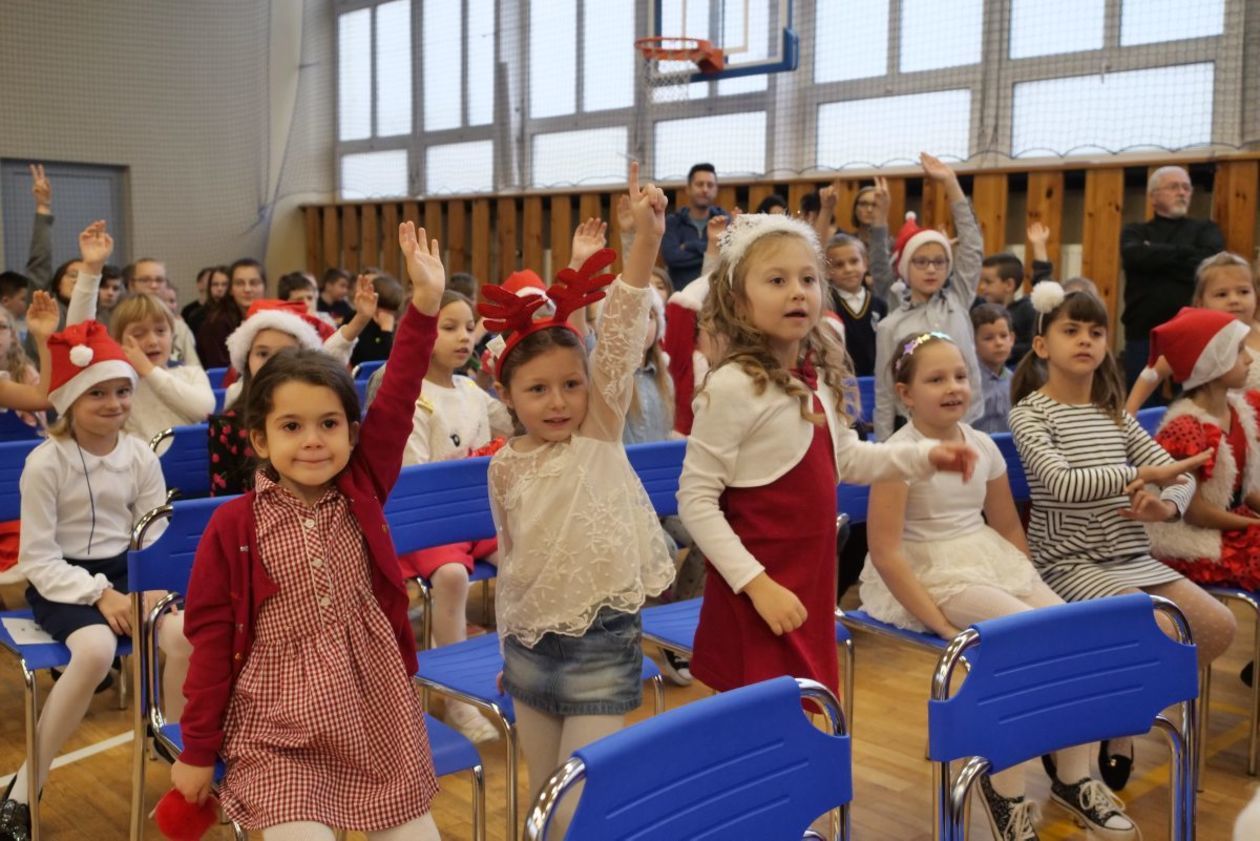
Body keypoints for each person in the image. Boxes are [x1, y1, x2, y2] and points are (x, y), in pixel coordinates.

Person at [172, 221, 447, 841]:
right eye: (291, 427)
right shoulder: (234, 525)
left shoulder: (362, 486)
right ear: (259, 438)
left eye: (329, 423)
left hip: (373, 711)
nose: (314, 440)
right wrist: (197, 748)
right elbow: (210, 642)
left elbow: (399, 395)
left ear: (353, 433)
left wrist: (425, 305)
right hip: (276, 727)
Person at [676, 210, 977, 704]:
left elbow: (849, 460)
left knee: (808, 712)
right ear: (738, 302)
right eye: (777, 280)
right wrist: (757, 585)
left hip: (809, 584)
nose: (798, 292)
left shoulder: (814, 379)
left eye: (808, 279)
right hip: (756, 591)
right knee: (758, 721)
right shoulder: (732, 386)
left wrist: (925, 456)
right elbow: (696, 501)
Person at [860, 331, 1137, 841]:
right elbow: (886, 552)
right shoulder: (898, 455)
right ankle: (1003, 790)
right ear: (905, 394)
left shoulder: (983, 444)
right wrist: (938, 622)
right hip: (931, 571)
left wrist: (1026, 580)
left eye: (960, 376)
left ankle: (1074, 778)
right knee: (1021, 643)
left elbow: (1007, 527)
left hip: (985, 557)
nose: (953, 387)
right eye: (936, 379)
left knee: (1074, 633)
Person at [484, 164, 675, 830]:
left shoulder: (598, 433)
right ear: (507, 395)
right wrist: (508, 649)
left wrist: (643, 242)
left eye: (572, 384)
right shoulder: (504, 466)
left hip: (599, 643)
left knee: (574, 808)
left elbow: (619, 333)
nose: (559, 401)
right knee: (543, 802)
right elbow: (512, 561)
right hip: (529, 647)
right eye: (537, 389)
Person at [1009, 281, 1237, 791]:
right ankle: (1104, 728)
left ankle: (1117, 718)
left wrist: (1164, 506)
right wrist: (1143, 477)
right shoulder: (1030, 413)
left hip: (1130, 557)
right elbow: (1061, 484)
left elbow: (1179, 478)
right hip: (1069, 563)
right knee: (1157, 629)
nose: (1085, 340)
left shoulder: (1114, 416)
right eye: (1071, 330)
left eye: (1096, 332)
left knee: (1217, 627)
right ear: (1042, 345)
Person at [0, 308, 187, 841]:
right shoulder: (46, 463)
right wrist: (101, 594)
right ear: (69, 400)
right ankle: (24, 787)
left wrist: (148, 584)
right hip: (62, 578)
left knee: (183, 634)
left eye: (122, 392)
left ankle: (177, 753)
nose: (114, 404)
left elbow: (154, 532)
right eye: (97, 393)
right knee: (95, 651)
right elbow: (38, 559)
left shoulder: (140, 456)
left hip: (130, 569)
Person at [394, 288, 511, 743]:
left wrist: (506, 377)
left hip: (478, 516)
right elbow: (413, 476)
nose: (463, 337)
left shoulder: (471, 391)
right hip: (431, 521)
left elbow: (512, 424)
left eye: (467, 327)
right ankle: (455, 694)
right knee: (451, 576)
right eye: (449, 327)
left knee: (524, 555)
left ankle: (519, 665)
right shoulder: (413, 396)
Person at [1143, 307, 1260, 593]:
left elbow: (1245, 491)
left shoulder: (1238, 410)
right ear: (1212, 363)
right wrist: (1252, 524)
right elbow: (1195, 513)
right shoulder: (1186, 428)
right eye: (1239, 351)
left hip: (1227, 522)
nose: (1249, 358)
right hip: (1191, 537)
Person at [65, 221, 214, 442]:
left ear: (172, 335)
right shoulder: (117, 386)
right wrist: (92, 269)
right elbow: (78, 332)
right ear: (118, 341)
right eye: (138, 334)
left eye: (161, 331)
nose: (152, 341)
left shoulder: (190, 374)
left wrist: (149, 370)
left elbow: (203, 410)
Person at [874, 154, 984, 441]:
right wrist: (884, 450)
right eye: (921, 262)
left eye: (939, 261)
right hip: (917, 436)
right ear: (904, 268)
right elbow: (884, 394)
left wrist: (951, 183)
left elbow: (972, 246)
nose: (931, 269)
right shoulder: (891, 326)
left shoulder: (957, 300)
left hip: (966, 428)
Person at [1121, 166, 1225, 395]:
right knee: (1140, 403)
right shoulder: (1135, 231)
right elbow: (1134, 256)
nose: (1182, 192)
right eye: (1174, 187)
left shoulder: (1205, 229)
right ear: (1153, 196)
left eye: (1186, 188)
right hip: (1144, 332)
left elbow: (1210, 262)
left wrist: (1154, 253)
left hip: (1193, 333)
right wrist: (1188, 254)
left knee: (1192, 402)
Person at [1127, 252, 1260, 413]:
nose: (1234, 300)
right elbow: (1154, 370)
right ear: (1200, 303)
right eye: (1222, 294)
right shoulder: (1200, 341)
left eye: (1244, 292)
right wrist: (1128, 414)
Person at [976, 222, 1055, 360]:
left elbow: (1047, 292)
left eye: (988, 282)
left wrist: (1039, 247)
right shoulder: (978, 308)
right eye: (981, 282)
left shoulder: (1025, 310)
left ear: (1009, 285)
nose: (982, 287)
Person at [660, 163, 729, 288]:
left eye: (710, 185)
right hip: (680, 294)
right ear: (688, 189)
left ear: (716, 189)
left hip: (714, 293)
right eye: (699, 184)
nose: (705, 189)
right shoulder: (672, 222)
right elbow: (671, 257)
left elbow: (726, 256)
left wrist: (689, 246)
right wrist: (711, 250)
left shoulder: (724, 221)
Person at [196, 259, 267, 368]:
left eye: (254, 283)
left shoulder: (271, 318)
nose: (247, 289)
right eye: (239, 283)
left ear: (264, 287)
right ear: (230, 290)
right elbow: (221, 371)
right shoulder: (216, 324)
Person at [971, 304, 1015, 434]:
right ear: (973, 343)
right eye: (988, 338)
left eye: (1003, 336)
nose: (998, 343)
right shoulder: (969, 380)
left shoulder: (1015, 381)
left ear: (1012, 339)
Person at [183, 266, 229, 337]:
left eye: (224, 284)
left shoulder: (236, 312)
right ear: (209, 287)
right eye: (215, 284)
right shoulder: (196, 316)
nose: (219, 288)